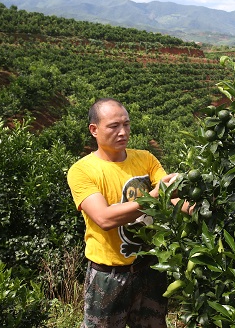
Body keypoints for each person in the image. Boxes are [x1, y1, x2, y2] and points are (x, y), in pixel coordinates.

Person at [67, 97, 185, 328]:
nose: (123, 132)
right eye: (114, 126)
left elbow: (172, 197)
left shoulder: (145, 158)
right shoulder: (82, 171)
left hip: (150, 268)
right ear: (94, 130)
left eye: (127, 125)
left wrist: (198, 204)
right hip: (108, 276)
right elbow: (104, 218)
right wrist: (155, 195)